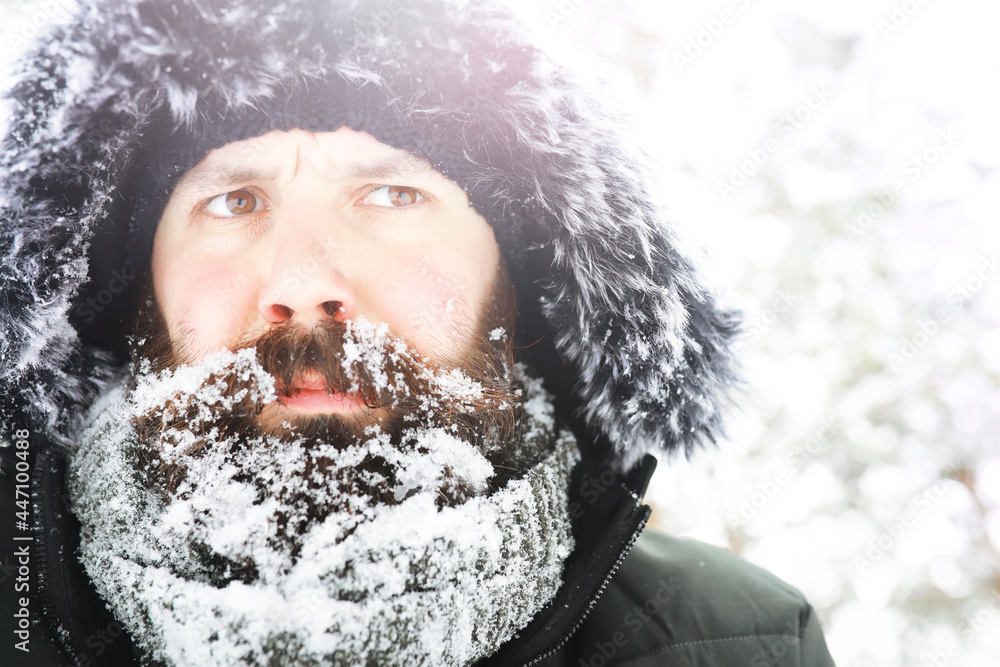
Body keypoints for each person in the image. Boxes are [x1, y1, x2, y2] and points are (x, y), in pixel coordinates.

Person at [0, 0, 836, 665]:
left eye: (392, 197)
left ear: (515, 283)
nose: (301, 281)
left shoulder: (737, 643)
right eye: (233, 202)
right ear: (130, 289)